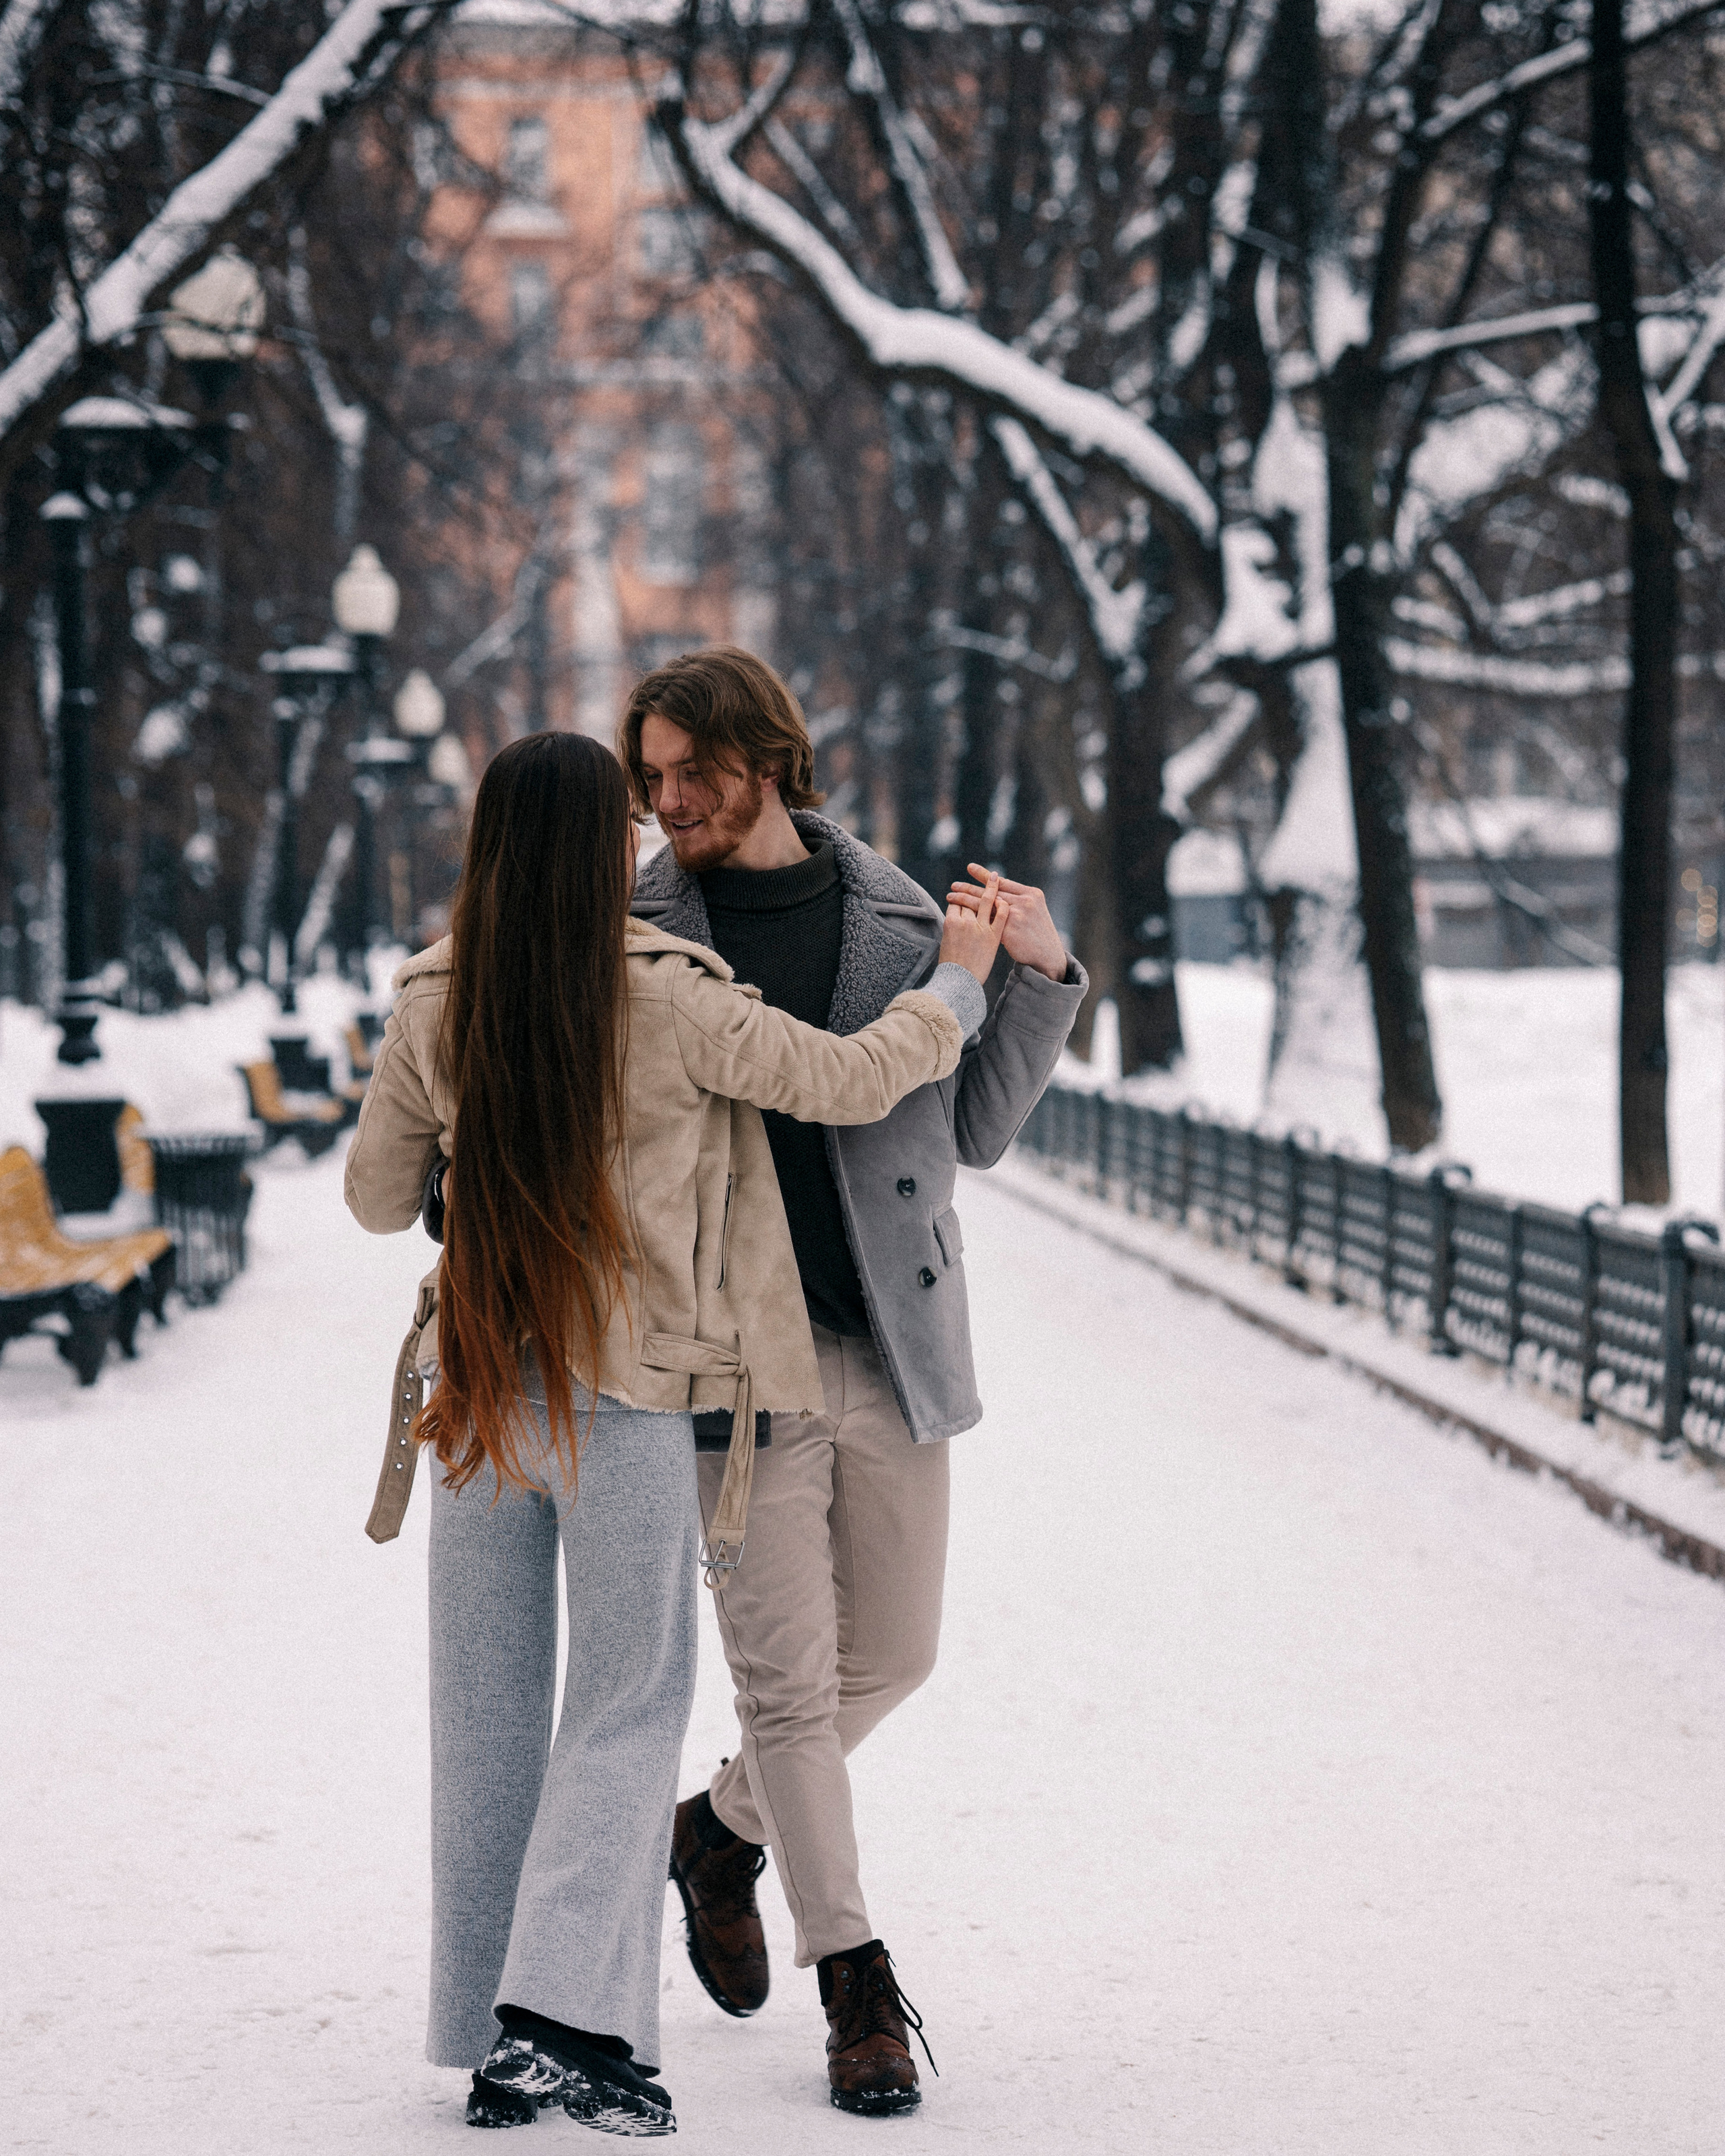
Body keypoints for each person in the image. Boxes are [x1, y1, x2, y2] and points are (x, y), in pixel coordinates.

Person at [343, 730, 1005, 2134]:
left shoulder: (430, 997)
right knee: (627, 1703)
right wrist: (955, 982)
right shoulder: (672, 995)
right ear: (606, 850)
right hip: (633, 1397)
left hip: (478, 1401)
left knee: (485, 1714)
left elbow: (370, 1193)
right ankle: (559, 2024)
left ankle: (487, 2040)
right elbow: (848, 1077)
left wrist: (473, 1173)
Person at [624, 647, 1086, 2115]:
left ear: (768, 761)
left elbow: (984, 1128)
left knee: (887, 1658)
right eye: (650, 778)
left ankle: (715, 1831)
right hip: (728, 1354)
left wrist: (1040, 971)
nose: (667, 800)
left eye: (690, 772)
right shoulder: (636, 933)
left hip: (888, 1336)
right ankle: (858, 1988)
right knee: (789, 1684)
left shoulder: (898, 919)